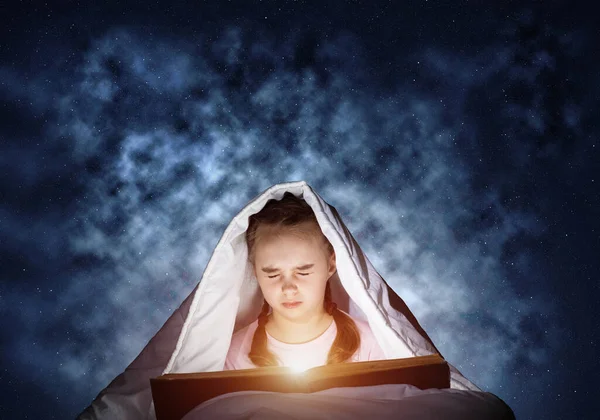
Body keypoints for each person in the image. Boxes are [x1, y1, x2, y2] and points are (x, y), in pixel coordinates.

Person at [224, 192, 386, 371]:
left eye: (303, 272)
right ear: (255, 272)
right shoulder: (233, 356)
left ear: (331, 266)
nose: (289, 289)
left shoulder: (372, 346)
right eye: (272, 274)